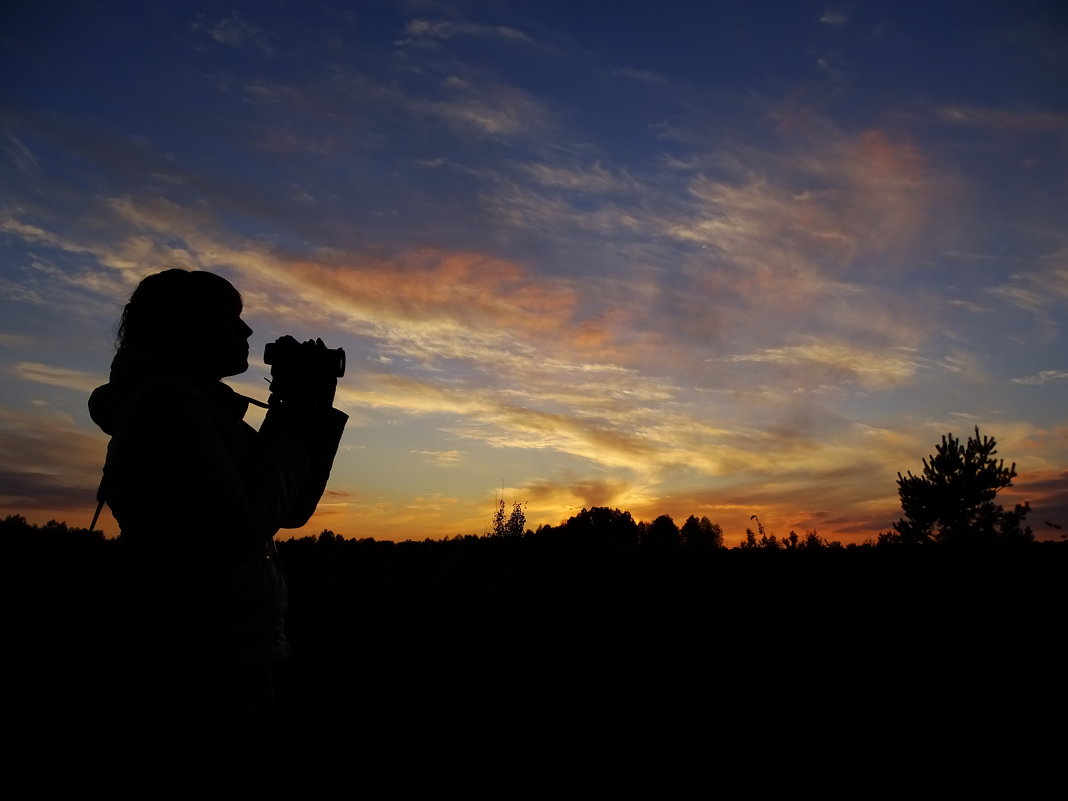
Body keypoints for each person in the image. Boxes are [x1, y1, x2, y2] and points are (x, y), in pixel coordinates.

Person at [86, 267, 347, 789]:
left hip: (231, 656)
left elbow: (286, 511)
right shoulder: (167, 407)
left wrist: (304, 414)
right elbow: (240, 529)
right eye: (232, 318)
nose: (249, 333)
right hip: (193, 671)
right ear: (186, 329)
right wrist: (291, 424)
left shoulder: (204, 410)